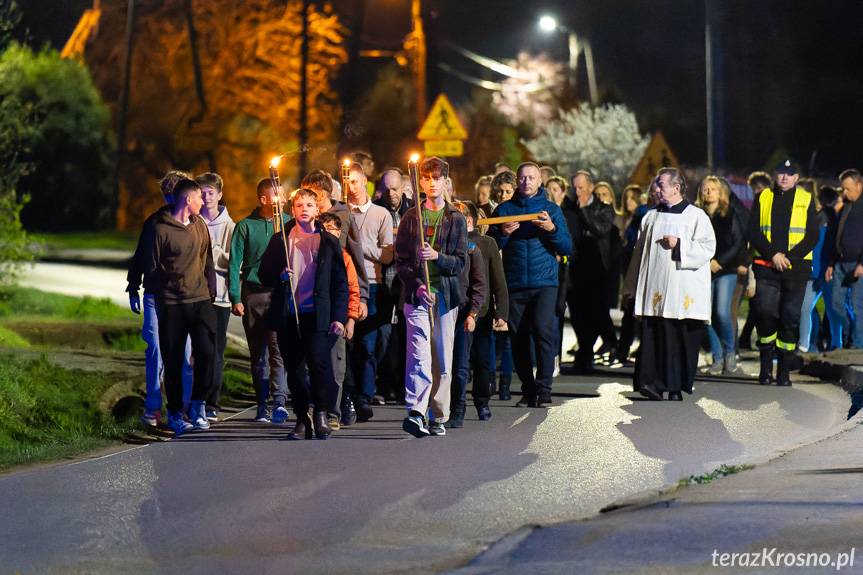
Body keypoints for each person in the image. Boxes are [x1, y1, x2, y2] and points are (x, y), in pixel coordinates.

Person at [258, 188, 348, 440]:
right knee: (295, 369)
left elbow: (339, 283)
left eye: (310, 205)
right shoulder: (281, 240)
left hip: (317, 314)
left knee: (320, 365)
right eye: (300, 205)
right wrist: (279, 275)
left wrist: (339, 317)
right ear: (293, 209)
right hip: (289, 313)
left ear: (317, 209)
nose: (305, 209)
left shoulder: (328, 241)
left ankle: (321, 411)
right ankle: (301, 418)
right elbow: (263, 274)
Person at [624, 168, 716, 401]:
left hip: (682, 290)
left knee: (678, 338)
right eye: (656, 184)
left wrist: (680, 245)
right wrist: (631, 286)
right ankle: (650, 383)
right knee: (653, 334)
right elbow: (639, 255)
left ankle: (674, 386)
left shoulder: (696, 216)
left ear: (676, 188)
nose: (656, 188)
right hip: (654, 288)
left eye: (661, 184)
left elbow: (708, 249)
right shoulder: (650, 217)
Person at [488, 162, 572, 407]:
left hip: (545, 282)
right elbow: (491, 246)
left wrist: (551, 229)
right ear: (517, 181)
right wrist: (503, 233)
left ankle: (544, 388)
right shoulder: (504, 210)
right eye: (522, 178)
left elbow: (566, 247)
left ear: (539, 181)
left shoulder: (551, 209)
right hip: (514, 283)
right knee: (519, 338)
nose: (526, 182)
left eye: (531, 178)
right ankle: (528, 389)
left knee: (544, 333)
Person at [395, 156, 467, 437]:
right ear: (420, 181)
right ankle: (416, 411)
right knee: (418, 354)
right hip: (418, 297)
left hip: (446, 297)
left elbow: (460, 263)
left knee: (441, 359)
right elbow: (401, 262)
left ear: (445, 181)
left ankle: (439, 414)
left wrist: (438, 257)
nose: (432, 183)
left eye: (437, 178)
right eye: (427, 178)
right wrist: (418, 286)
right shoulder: (411, 217)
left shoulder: (456, 218)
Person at [141, 179, 218, 433]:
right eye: (199, 198)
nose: (203, 202)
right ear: (188, 200)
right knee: (173, 359)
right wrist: (164, 287)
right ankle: (174, 412)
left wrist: (210, 289)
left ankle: (198, 405)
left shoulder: (200, 226)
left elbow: (206, 259)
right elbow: (150, 267)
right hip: (172, 303)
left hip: (200, 300)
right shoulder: (159, 228)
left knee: (207, 352)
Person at [300, 169, 370, 424]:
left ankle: (335, 409)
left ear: (325, 193)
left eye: (314, 195)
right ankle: (312, 408)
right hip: (310, 299)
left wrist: (361, 297)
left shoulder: (343, 218)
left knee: (336, 359)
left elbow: (355, 257)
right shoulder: (306, 221)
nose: (310, 200)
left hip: (337, 296)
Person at [126, 170, 193, 428]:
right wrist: (133, 286)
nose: (167, 201)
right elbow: (141, 256)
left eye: (171, 196)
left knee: (185, 355)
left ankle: (185, 408)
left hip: (184, 297)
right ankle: (153, 408)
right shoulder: (153, 223)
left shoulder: (195, 225)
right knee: (155, 350)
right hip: (155, 296)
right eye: (165, 196)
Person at [748, 159, 818, 386]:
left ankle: (784, 372)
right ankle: (766, 366)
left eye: (790, 174)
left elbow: (812, 236)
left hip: (795, 270)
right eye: (781, 174)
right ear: (775, 176)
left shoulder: (806, 199)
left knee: (790, 318)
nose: (784, 178)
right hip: (767, 267)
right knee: (766, 313)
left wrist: (789, 258)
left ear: (797, 178)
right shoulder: (763, 197)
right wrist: (773, 255)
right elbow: (754, 231)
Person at [228, 178, 290, 423]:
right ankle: (261, 403)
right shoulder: (245, 226)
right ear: (263, 199)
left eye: (284, 196)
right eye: (277, 196)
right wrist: (235, 296)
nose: (283, 201)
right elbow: (235, 263)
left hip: (279, 293)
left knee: (278, 349)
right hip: (253, 294)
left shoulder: (288, 224)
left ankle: (279, 401)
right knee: (259, 353)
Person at [346, 162, 395, 422]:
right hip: (346, 283)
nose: (350, 187)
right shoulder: (341, 213)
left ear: (364, 181)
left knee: (368, 344)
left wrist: (361, 247)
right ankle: (350, 394)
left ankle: (364, 395)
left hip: (373, 284)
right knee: (347, 342)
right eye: (346, 182)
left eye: (354, 181)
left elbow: (387, 254)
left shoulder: (380, 214)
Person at [462, 201, 508, 421]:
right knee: (459, 363)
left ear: (470, 220)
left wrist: (502, 313)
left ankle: (482, 402)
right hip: (458, 311)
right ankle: (456, 404)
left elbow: (499, 281)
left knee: (483, 361)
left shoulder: (487, 244)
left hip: (482, 312)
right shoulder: (450, 242)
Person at [569, 171, 618, 372]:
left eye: (581, 187)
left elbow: (600, 229)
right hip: (575, 270)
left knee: (595, 313)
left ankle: (597, 350)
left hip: (597, 270)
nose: (577, 191)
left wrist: (583, 211)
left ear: (590, 187)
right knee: (577, 315)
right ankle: (585, 354)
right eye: (575, 188)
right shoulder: (570, 208)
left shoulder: (603, 209)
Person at [373, 168, 415, 404]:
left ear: (403, 187)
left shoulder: (413, 209)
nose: (392, 194)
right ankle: (384, 383)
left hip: (407, 281)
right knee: (383, 336)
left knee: (405, 336)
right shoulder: (376, 209)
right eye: (387, 189)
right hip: (383, 279)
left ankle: (403, 386)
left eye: (395, 188)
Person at [696, 176, 745, 374]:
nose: (709, 192)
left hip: (726, 269)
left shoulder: (729, 213)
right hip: (702, 269)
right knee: (706, 315)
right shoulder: (696, 215)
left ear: (720, 192)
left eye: (713, 189)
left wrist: (719, 262)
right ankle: (717, 357)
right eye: (706, 189)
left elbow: (737, 241)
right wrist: (706, 262)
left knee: (722, 312)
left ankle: (730, 352)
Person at [196, 172, 235, 421]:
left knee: (216, 351)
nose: (206, 197)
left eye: (211, 192)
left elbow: (236, 263)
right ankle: (193, 400)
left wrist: (215, 253)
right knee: (196, 350)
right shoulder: (192, 220)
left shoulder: (231, 226)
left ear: (220, 195)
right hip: (195, 295)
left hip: (220, 296)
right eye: (202, 192)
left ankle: (212, 401)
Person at [318, 212, 361, 430]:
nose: (327, 234)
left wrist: (350, 319)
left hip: (339, 319)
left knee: (336, 368)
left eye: (332, 230)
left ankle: (334, 412)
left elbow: (352, 289)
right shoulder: (314, 252)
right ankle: (317, 409)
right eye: (323, 229)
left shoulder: (344, 257)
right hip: (316, 317)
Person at [447, 201, 487, 428]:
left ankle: (458, 409)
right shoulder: (441, 249)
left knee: (460, 364)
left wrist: (473, 313)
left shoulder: (473, 250)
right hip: (444, 309)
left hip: (463, 313)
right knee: (442, 364)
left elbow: (479, 285)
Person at [825, 169, 863, 349]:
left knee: (857, 306)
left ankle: (857, 344)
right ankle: (849, 336)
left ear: (859, 185)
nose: (845, 193)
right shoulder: (845, 206)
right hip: (840, 263)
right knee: (836, 305)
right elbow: (836, 235)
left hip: (857, 264)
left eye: (848, 189)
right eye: (843, 189)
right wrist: (832, 263)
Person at [738, 171, 773, 349]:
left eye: (759, 188)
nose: (757, 192)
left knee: (760, 304)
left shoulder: (771, 206)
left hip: (768, 260)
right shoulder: (754, 208)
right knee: (756, 303)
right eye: (754, 189)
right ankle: (748, 338)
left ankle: (748, 338)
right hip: (755, 259)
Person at [616, 185, 649, 364]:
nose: (628, 202)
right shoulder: (627, 218)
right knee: (630, 310)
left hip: (636, 266)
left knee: (633, 310)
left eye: (632, 198)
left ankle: (624, 349)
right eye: (626, 198)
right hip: (628, 265)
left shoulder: (642, 214)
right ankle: (623, 349)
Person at [797, 186, 831, 352]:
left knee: (806, 307)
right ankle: (809, 345)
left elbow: (821, 249)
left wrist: (819, 271)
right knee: (808, 309)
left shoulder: (821, 219)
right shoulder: (807, 218)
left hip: (815, 273)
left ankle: (806, 346)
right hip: (806, 271)